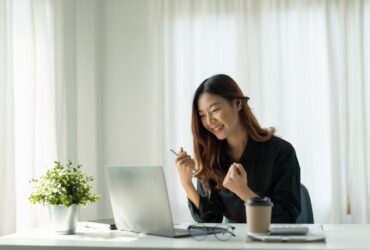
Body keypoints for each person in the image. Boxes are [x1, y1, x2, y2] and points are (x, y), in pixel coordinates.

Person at [174, 74, 301, 223]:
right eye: (202, 115)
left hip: (273, 244)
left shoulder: (281, 152)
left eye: (214, 110)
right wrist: (187, 184)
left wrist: (244, 192)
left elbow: (286, 217)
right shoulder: (211, 157)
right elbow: (211, 220)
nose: (209, 121)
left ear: (238, 104)